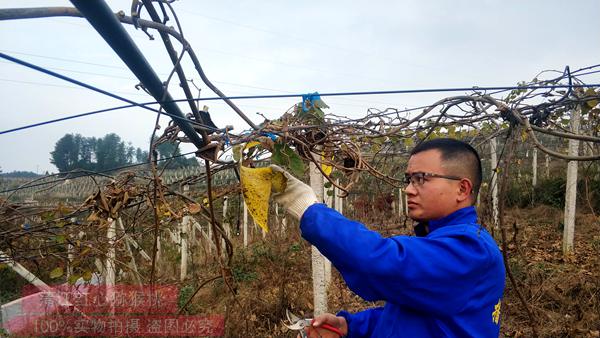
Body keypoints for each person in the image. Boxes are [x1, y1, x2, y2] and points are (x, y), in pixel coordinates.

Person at [271, 138, 505, 337]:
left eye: (421, 179)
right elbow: (412, 314)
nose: (409, 189)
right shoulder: (444, 241)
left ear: (462, 189)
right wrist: (351, 326)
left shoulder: (471, 251)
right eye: (409, 179)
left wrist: (307, 209)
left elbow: (379, 262)